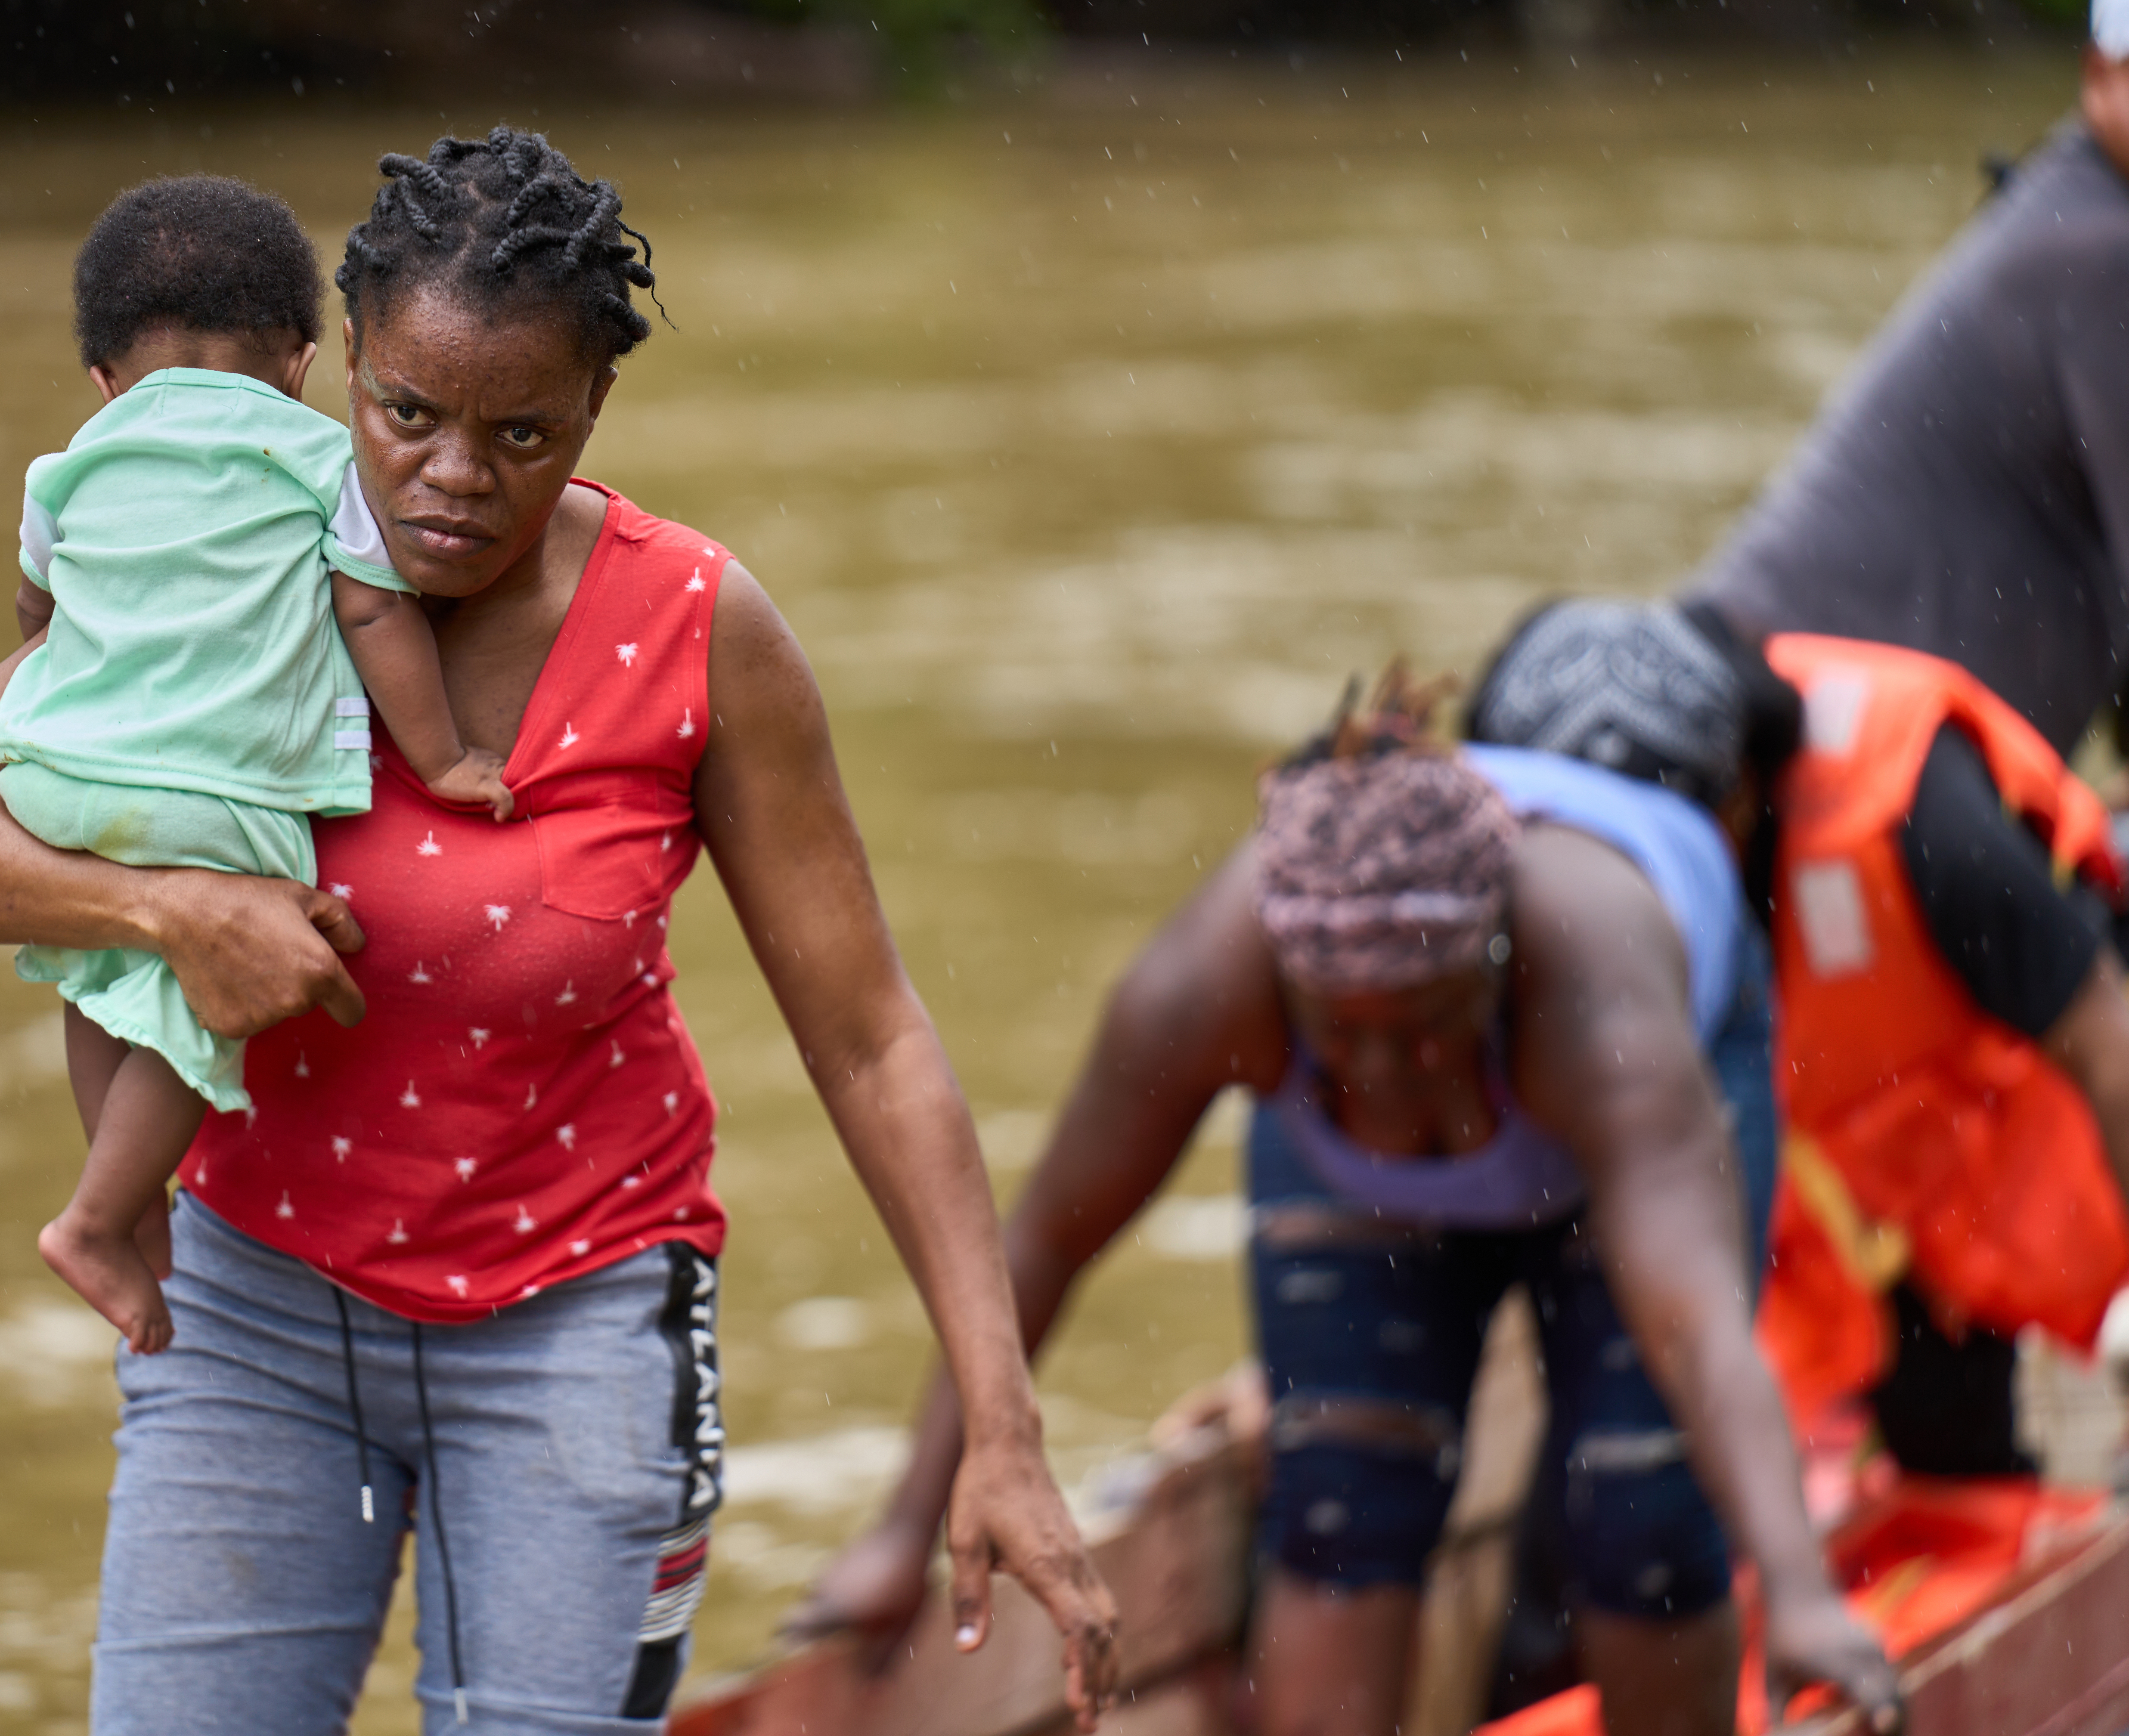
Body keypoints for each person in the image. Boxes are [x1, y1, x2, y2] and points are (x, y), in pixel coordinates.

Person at [0, 127, 1119, 1736]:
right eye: (408, 415)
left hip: (579, 1322)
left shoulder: (697, 629)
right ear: (336, 370)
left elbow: (869, 1039)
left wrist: (1001, 1423)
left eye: (519, 433)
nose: (451, 480)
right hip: (247, 1319)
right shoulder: (229, 563)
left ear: (593, 412)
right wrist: (170, 907)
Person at [804, 672, 1900, 1736]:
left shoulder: (1595, 991)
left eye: (1426, 1027)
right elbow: (1042, 1241)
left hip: (1640, 1104)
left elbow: (1697, 1327)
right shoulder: (1203, 990)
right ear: (1286, 987)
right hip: (1356, 1157)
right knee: (1342, 1508)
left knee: (1642, 1503)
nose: (1386, 1072)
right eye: (1346, 1036)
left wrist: (1799, 1595)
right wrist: (905, 1530)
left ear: (1493, 965)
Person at [1469, 599, 2129, 1474]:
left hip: (2036, 1130)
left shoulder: (1914, 812)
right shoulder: (1501, 884)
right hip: (1854, 1186)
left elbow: (2108, 1050)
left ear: (1735, 798)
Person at [0, 174, 511, 1355]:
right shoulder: (313, 456)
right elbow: (375, 617)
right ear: (300, 360)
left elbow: (38, 607)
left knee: (100, 963)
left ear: (104, 379)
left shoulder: (69, 463)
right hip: (217, 799)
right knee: (200, 988)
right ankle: (96, 1219)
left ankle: (125, 1205)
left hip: (51, 772)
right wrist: (442, 762)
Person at [1691, 0, 2129, 761]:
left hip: (1772, 689)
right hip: (1809, 739)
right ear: (2098, 77)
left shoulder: (2062, 217)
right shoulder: (2115, 262)